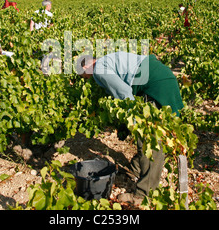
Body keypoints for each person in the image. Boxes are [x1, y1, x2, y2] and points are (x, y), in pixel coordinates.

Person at [78, 51, 184, 205]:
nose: (88, 80)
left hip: (157, 86)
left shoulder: (99, 69)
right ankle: (135, 169)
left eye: (84, 76)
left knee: (149, 142)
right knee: (151, 137)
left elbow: (125, 93)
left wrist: (132, 123)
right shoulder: (107, 61)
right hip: (162, 79)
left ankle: (143, 195)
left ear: (86, 66)